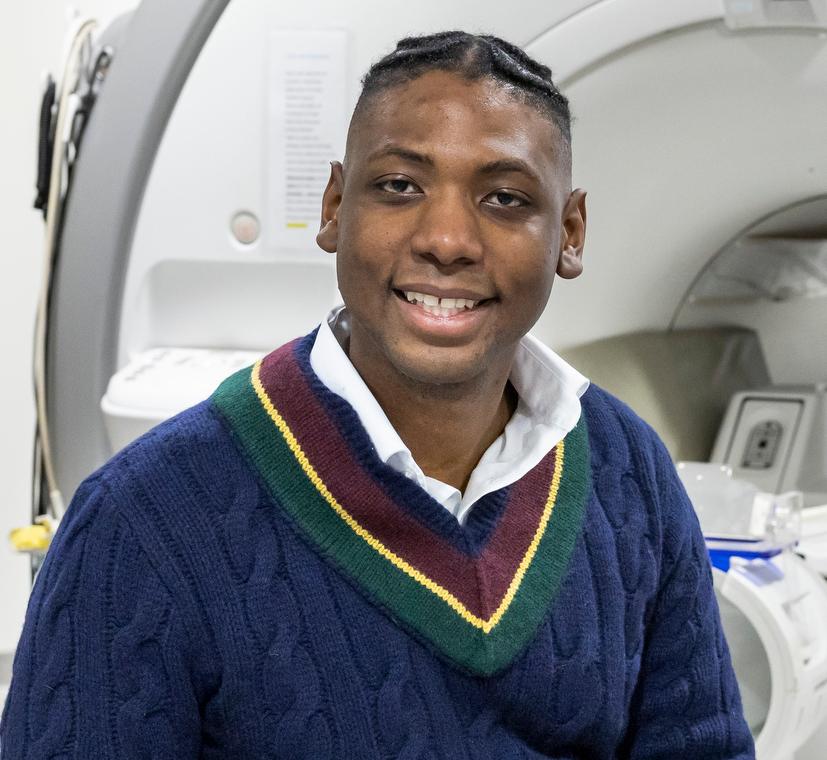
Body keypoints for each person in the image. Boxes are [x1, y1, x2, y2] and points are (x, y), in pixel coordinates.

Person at [1, 31, 754, 759]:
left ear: (570, 232)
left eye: (503, 197)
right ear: (333, 208)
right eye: (399, 186)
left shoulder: (630, 472)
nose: (447, 239)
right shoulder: (143, 523)